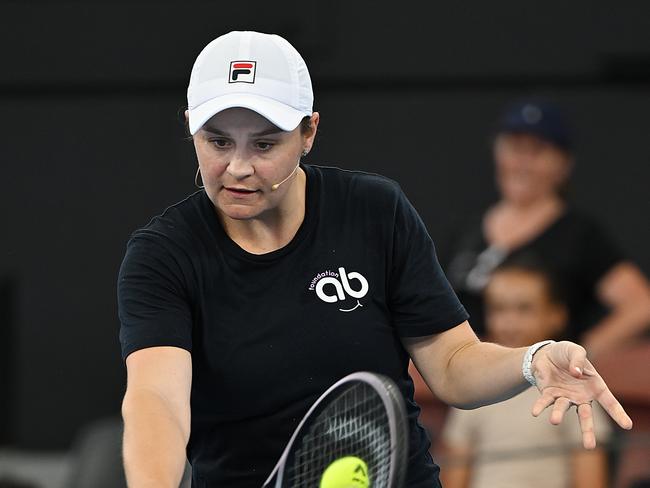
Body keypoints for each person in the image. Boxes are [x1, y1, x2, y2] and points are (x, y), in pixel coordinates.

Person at [118, 31, 632, 487]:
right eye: (218, 141)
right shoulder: (162, 255)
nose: (238, 167)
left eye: (266, 143)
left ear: (309, 132)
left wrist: (530, 358)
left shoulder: (374, 210)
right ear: (190, 127)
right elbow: (157, 401)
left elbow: (453, 366)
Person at [446, 99, 650, 357]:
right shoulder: (467, 229)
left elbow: (641, 304)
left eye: (537, 151)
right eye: (513, 148)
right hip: (472, 376)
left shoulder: (577, 233)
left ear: (563, 164)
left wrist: (578, 356)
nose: (522, 163)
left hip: (543, 380)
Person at [440, 256, 611, 488]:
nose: (509, 322)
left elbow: (590, 479)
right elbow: (454, 473)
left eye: (524, 309)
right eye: (498, 308)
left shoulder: (572, 387)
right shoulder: (473, 385)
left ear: (557, 316)